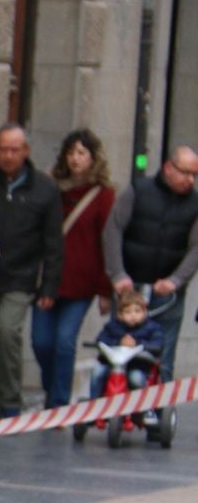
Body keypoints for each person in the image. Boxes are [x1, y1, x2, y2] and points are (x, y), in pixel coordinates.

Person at [0, 124, 63, 421]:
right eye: (3, 149)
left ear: (26, 151)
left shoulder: (45, 188)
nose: (8, 156)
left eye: (14, 150)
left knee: (6, 332)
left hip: (20, 276)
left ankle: (10, 402)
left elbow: (53, 242)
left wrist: (49, 286)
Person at [31, 129, 116, 408]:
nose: (75, 159)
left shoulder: (103, 195)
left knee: (65, 343)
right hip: (48, 280)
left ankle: (57, 403)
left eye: (81, 153)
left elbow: (108, 241)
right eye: (71, 153)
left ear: (93, 158)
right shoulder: (50, 189)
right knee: (41, 342)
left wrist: (106, 289)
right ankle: (51, 388)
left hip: (81, 283)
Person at [102, 145, 198, 382]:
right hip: (130, 288)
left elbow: (196, 247)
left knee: (162, 355)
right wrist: (117, 275)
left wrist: (176, 281)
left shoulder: (195, 203)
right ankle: (116, 407)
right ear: (168, 167)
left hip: (168, 292)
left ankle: (157, 408)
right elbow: (113, 230)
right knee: (121, 350)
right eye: (185, 172)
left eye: (194, 175)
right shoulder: (139, 190)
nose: (190, 179)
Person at [89, 289, 164, 397]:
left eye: (137, 311)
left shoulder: (152, 328)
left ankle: (143, 408)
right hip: (112, 365)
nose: (133, 315)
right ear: (120, 314)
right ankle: (94, 403)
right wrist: (119, 342)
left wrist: (137, 343)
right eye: (128, 312)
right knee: (97, 372)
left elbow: (158, 345)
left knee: (135, 378)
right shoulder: (113, 326)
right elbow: (100, 341)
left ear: (144, 312)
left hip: (138, 366)